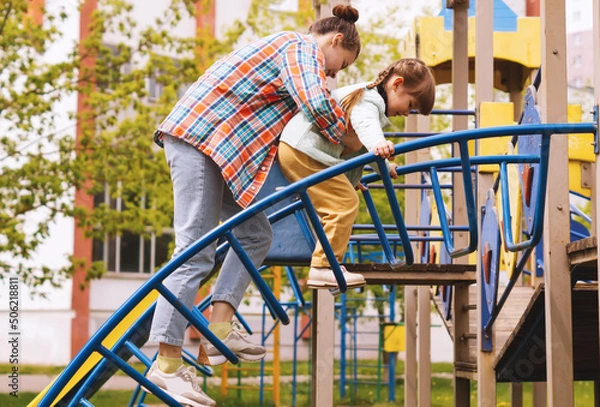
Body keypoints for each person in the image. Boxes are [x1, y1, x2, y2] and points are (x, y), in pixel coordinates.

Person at [145, 5, 361, 407]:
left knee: (256, 233)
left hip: (218, 150)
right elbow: (316, 103)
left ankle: (221, 328)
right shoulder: (299, 48)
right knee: (194, 253)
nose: (333, 74)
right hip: (199, 140)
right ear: (335, 41)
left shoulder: (293, 53)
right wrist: (349, 138)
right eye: (340, 65)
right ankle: (166, 366)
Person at [278, 58, 436, 289]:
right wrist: (379, 144)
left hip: (300, 148)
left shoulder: (368, 99)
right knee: (343, 203)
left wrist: (382, 167)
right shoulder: (369, 100)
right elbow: (365, 126)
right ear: (397, 84)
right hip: (304, 149)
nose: (407, 113)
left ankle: (326, 263)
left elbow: (358, 146)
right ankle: (323, 266)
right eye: (410, 104)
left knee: (341, 199)